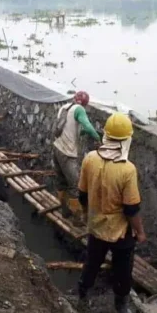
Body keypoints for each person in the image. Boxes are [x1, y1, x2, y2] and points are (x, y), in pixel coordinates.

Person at [76, 112, 147, 313]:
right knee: (123, 269)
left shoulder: (90, 158)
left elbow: (82, 194)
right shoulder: (127, 169)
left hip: (96, 224)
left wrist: (85, 214)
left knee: (92, 262)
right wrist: (140, 232)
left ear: (106, 136)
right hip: (120, 231)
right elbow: (131, 209)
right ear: (127, 140)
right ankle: (121, 307)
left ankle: (83, 296)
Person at [52, 91, 101, 224]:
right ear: (85, 104)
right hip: (67, 153)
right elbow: (88, 127)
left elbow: (70, 127)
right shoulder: (79, 110)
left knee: (61, 181)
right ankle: (77, 219)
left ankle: (64, 210)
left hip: (56, 148)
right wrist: (98, 139)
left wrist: (83, 131)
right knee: (75, 185)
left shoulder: (65, 107)